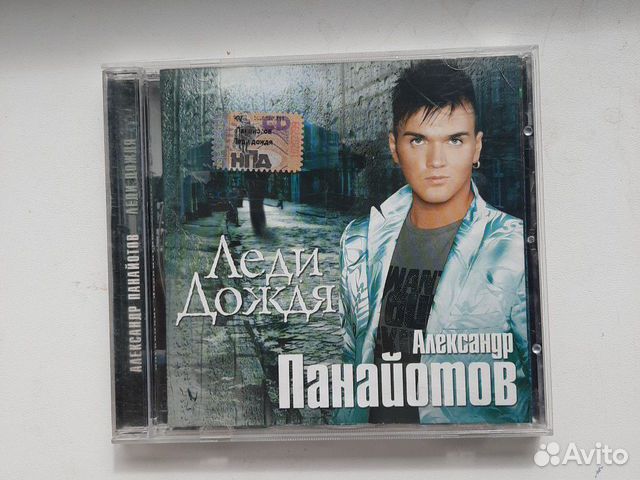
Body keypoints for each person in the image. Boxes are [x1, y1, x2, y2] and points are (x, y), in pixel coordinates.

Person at [333, 61, 530, 425]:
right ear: (395, 148)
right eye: (418, 140)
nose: (436, 161)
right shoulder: (360, 240)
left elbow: (544, 388)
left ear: (476, 147)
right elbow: (352, 359)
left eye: (455, 140)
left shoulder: (515, 248)